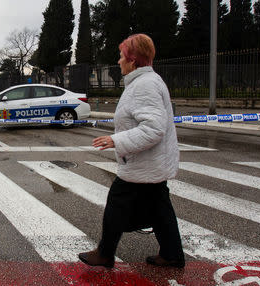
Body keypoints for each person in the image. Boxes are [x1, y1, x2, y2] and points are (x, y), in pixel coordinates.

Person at [78, 34, 185, 268]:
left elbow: (154, 128)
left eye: (121, 56)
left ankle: (105, 253)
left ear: (133, 60)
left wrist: (117, 140)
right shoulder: (146, 81)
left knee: (117, 202)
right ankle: (172, 254)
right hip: (150, 162)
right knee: (160, 208)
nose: (118, 61)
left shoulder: (144, 85)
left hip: (142, 163)